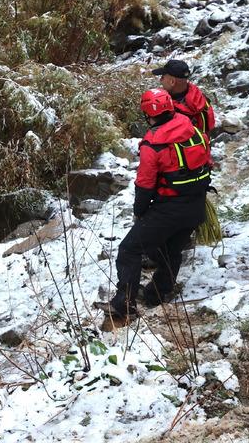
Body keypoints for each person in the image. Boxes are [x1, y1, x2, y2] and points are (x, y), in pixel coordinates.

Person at [100, 89, 212, 318]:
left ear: (147, 114)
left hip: (168, 209)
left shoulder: (153, 144)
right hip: (197, 205)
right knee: (170, 250)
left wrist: (140, 212)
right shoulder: (191, 128)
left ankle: (124, 304)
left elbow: (144, 185)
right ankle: (158, 293)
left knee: (129, 250)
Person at [152, 59, 215, 135]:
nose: (160, 80)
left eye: (163, 77)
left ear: (172, 82)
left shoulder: (166, 108)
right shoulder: (201, 100)